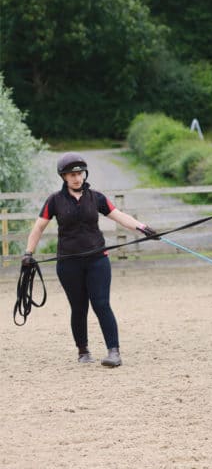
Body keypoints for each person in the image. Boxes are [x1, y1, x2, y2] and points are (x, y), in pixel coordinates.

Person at [22, 152, 157, 367]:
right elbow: (39, 226)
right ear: (64, 177)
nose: (77, 177)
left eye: (79, 173)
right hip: (68, 263)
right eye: (71, 174)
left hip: (97, 260)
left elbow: (119, 215)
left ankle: (114, 352)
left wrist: (143, 228)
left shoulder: (97, 198)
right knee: (78, 307)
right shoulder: (54, 201)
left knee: (102, 304)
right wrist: (28, 253)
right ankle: (83, 350)